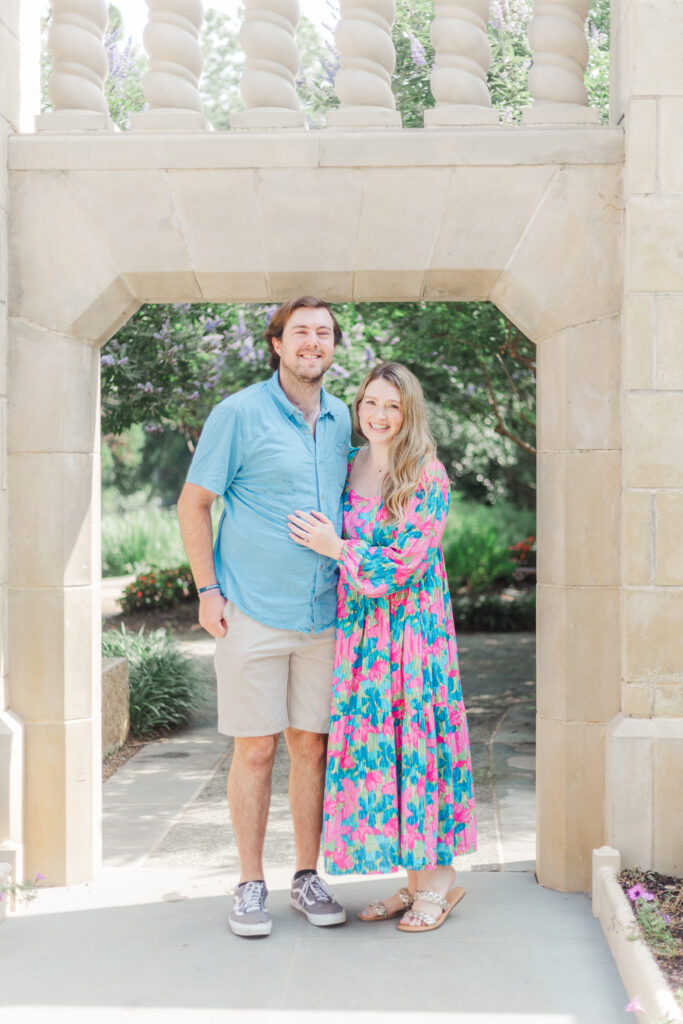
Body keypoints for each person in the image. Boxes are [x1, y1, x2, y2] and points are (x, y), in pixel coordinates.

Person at [177, 296, 351, 938]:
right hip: (251, 611)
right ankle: (250, 884)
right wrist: (207, 590)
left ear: (333, 346)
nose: (313, 341)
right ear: (276, 344)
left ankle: (307, 877)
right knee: (255, 750)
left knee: (313, 746)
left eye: (323, 333)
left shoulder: (342, 420)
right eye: (300, 332)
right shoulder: (238, 414)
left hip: (326, 616)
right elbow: (193, 504)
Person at [287, 361, 476, 933]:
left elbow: (400, 566)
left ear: (408, 411)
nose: (379, 415)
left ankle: (439, 882)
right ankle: (413, 881)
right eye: (370, 403)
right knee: (384, 752)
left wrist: (335, 547)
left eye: (392, 405)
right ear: (358, 407)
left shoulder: (428, 474)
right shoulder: (349, 464)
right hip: (363, 640)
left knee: (420, 745)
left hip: (414, 635)